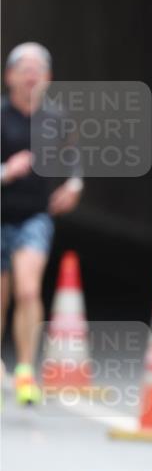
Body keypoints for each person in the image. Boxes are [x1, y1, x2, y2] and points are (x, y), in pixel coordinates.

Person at [1, 43, 83, 404]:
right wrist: (6, 171)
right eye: (24, 68)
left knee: (29, 290)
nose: (31, 74)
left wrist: (74, 186)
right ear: (9, 76)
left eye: (39, 69)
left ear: (48, 78)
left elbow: (75, 158)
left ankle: (23, 370)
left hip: (35, 215)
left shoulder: (56, 119)